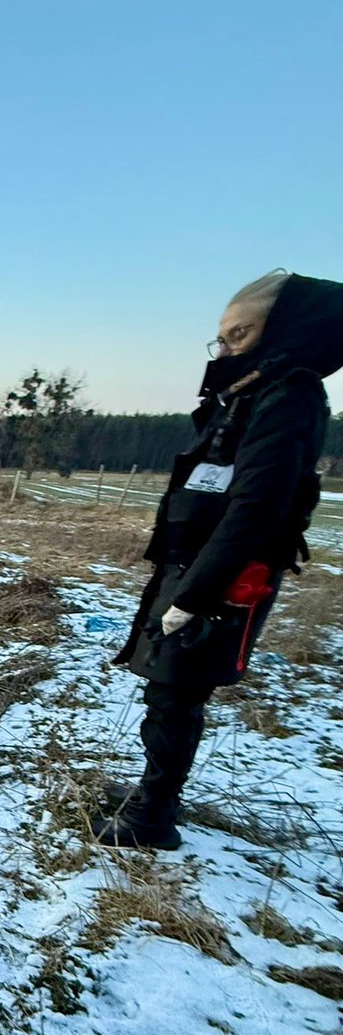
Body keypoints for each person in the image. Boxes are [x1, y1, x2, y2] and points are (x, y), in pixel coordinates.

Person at [92, 270, 343, 850]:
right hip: (193, 566)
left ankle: (153, 819)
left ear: (283, 331)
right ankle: (153, 793)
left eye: (239, 335)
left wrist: (196, 594)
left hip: (221, 579)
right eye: (222, 339)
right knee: (166, 686)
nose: (225, 351)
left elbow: (257, 507)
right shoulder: (247, 396)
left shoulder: (289, 394)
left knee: (177, 691)